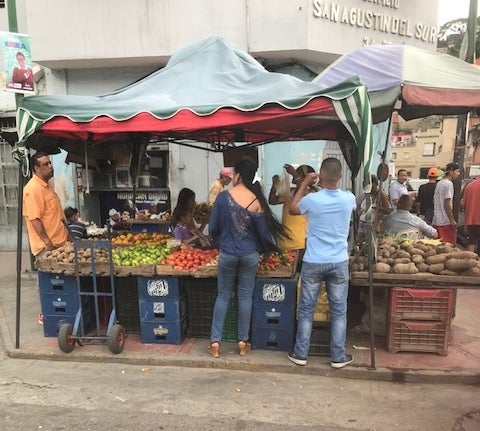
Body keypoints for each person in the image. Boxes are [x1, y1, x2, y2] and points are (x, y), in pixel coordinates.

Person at [207, 157, 287, 358]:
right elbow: (263, 235)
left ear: (238, 175)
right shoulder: (257, 200)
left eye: (233, 174)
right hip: (250, 255)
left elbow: (213, 228)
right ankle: (243, 342)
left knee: (223, 296)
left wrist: (224, 239)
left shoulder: (223, 198)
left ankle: (215, 343)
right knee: (245, 298)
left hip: (227, 255)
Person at [287, 158, 356, 369]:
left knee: (307, 309)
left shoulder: (313, 200)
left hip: (314, 261)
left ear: (321, 175)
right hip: (338, 261)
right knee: (339, 311)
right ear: (341, 176)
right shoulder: (349, 199)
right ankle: (338, 356)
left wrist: (305, 183)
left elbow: (293, 208)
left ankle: (300, 354)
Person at [23, 152, 70, 257]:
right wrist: (47, 243)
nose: (50, 166)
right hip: (48, 248)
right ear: (37, 168)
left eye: (50, 163)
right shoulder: (33, 189)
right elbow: (34, 219)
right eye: (45, 164)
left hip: (60, 245)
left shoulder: (46, 186)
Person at [268, 164, 315, 261]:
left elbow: (304, 191)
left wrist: (294, 173)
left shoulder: (312, 193)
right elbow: (272, 201)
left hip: (300, 242)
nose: (295, 175)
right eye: (296, 173)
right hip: (285, 240)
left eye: (299, 173)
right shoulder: (291, 191)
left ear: (307, 178)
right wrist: (274, 186)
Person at [433, 162, 461, 245]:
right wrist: (452, 220)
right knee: (448, 246)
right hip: (445, 221)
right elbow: (447, 203)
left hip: (437, 220)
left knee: (438, 246)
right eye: (457, 171)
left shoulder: (440, 183)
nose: (458, 174)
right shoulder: (448, 184)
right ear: (451, 171)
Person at [461, 176, 480, 253]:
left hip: (472, 220)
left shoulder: (470, 185)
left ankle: (470, 262)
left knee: (472, 241)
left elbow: (463, 204)